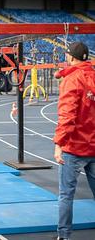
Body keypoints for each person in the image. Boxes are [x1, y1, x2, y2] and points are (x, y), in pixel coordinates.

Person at [53, 42, 95, 240]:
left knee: (66, 195)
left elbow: (67, 115)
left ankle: (64, 236)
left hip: (74, 147)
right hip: (94, 147)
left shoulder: (72, 79)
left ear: (70, 57)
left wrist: (59, 144)